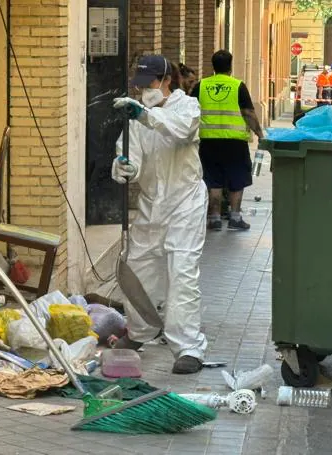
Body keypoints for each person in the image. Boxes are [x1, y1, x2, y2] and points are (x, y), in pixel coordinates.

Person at [111, 54, 208, 373]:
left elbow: (180, 132)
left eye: (148, 84)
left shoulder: (187, 107)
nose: (143, 91)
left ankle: (188, 347)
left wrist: (143, 115)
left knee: (181, 271)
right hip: (152, 204)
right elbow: (131, 156)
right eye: (138, 86)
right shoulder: (136, 117)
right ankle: (139, 332)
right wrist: (124, 167)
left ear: (167, 80)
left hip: (185, 202)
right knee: (138, 267)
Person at [191, 49, 265, 231]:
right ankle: (235, 218)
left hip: (208, 141)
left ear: (213, 67)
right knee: (237, 178)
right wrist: (259, 134)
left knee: (213, 180)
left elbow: (190, 111)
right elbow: (248, 113)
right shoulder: (238, 86)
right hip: (234, 143)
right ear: (230, 67)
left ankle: (215, 218)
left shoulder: (201, 86)